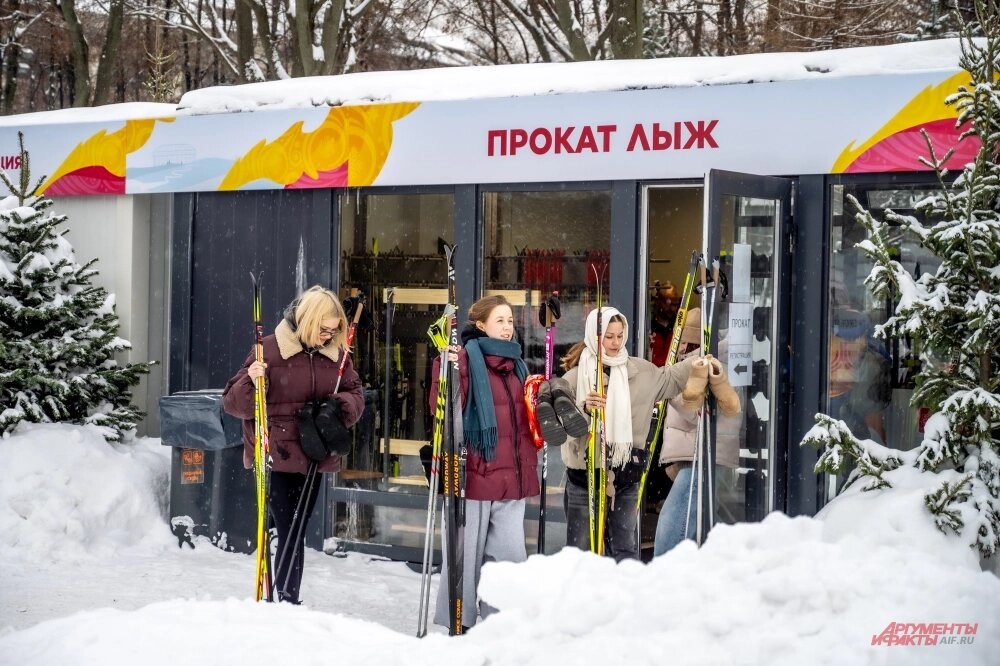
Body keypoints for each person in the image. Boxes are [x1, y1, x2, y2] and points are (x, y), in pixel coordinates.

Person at [222, 285, 364, 604]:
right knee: (288, 527)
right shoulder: (269, 350)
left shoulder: (336, 355)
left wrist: (338, 408)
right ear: (307, 321)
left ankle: (287, 598)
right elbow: (234, 404)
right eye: (323, 329)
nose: (328, 336)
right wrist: (252, 380)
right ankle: (285, 599)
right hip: (277, 455)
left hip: (314, 454)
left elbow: (356, 394)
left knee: (296, 529)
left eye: (334, 330)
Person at [538, 305, 711, 561]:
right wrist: (585, 410)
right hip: (585, 477)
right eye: (608, 336)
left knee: (624, 548)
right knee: (582, 552)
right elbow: (565, 432)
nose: (615, 342)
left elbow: (673, 378)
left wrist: (703, 359)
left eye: (620, 335)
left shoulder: (643, 372)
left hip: (627, 474)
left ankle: (623, 598)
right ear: (594, 337)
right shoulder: (575, 378)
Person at [429, 294, 539, 631]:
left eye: (510, 321)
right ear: (481, 325)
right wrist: (444, 369)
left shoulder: (518, 366)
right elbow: (441, 409)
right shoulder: (461, 360)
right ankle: (458, 624)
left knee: (508, 561)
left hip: (511, 479)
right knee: (465, 560)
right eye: (499, 321)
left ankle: (499, 625)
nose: (507, 328)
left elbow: (522, 423)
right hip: (472, 478)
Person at [653, 308, 741, 556]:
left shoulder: (710, 365)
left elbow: (697, 412)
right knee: (702, 526)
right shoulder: (700, 362)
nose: (679, 347)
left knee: (674, 525)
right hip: (700, 454)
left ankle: (663, 571)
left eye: (682, 341)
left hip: (702, 455)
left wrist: (668, 389)